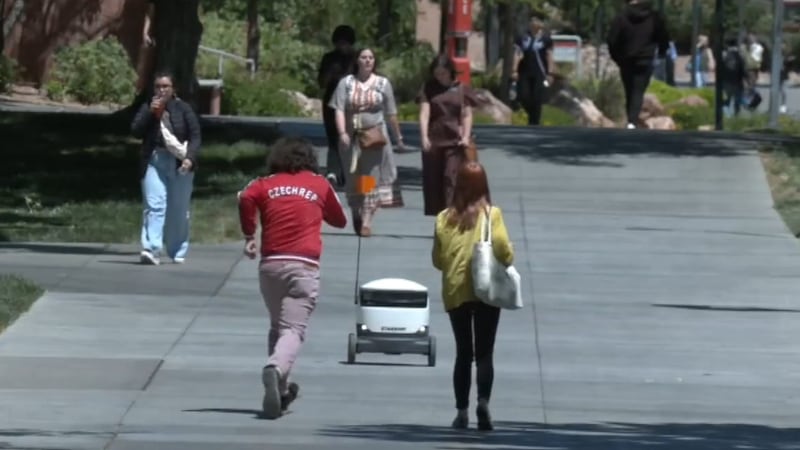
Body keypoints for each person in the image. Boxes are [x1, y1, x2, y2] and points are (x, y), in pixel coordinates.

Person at [237, 136, 347, 420]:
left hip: (270, 265)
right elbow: (340, 220)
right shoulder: (319, 184)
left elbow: (244, 196)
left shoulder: (265, 183)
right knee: (293, 330)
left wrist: (250, 234)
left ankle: (280, 391)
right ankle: (275, 368)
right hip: (303, 266)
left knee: (278, 326)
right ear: (310, 159)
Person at [432, 162, 514, 431]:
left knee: (463, 353)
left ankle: (461, 411)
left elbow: (438, 259)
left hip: (456, 290)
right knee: (485, 353)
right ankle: (483, 402)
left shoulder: (443, 217)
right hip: (486, 288)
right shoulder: (493, 215)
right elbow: (503, 250)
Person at [329, 47, 405, 237]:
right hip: (350, 136)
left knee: (370, 178)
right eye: (364, 57)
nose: (368, 61)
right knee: (353, 176)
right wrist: (342, 133)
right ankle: (356, 211)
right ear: (357, 61)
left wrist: (398, 137)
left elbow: (391, 112)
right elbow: (338, 109)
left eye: (371, 58)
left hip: (374, 137)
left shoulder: (382, 83)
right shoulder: (345, 83)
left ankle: (367, 220)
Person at [131, 72, 201, 265]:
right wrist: (150, 114)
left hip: (179, 162)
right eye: (158, 87)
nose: (161, 90)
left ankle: (177, 250)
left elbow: (195, 136)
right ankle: (151, 249)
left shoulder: (183, 109)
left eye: (165, 86)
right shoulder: (148, 107)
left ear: (173, 89)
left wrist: (190, 158)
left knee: (178, 209)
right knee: (155, 205)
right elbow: (135, 130)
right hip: (154, 160)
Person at [417, 54, 478, 217]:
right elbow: (424, 113)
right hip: (434, 140)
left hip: (455, 142)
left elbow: (466, 114)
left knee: (450, 178)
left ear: (450, 71)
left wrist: (465, 136)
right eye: (437, 73)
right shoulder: (428, 88)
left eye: (443, 73)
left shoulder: (460, 89)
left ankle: (452, 215)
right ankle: (440, 217)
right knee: (433, 181)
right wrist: (423, 137)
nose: (440, 77)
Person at [607, 0, 670, 129]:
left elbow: (612, 40)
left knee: (629, 89)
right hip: (645, 59)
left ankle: (631, 119)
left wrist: (617, 57)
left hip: (626, 59)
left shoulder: (621, 17)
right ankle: (632, 121)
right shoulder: (654, 17)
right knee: (638, 90)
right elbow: (663, 36)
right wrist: (662, 51)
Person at [317, 25, 357, 187]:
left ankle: (349, 172)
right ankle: (333, 171)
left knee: (351, 138)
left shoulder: (356, 59)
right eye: (339, 43)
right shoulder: (329, 58)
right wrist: (330, 75)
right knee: (333, 138)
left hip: (352, 103)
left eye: (345, 43)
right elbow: (321, 82)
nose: (342, 46)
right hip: (331, 103)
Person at [512, 15, 554, 126]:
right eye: (533, 20)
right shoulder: (523, 37)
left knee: (537, 97)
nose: (535, 22)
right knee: (524, 95)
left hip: (540, 72)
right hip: (524, 71)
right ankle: (531, 114)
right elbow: (517, 53)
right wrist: (514, 70)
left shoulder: (545, 39)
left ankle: (534, 121)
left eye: (538, 20)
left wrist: (550, 73)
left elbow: (549, 55)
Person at [720, 37, 746, 117]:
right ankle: (736, 115)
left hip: (726, 81)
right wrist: (745, 79)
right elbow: (743, 69)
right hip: (738, 81)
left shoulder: (724, 55)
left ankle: (726, 115)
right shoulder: (740, 56)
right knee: (737, 101)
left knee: (725, 100)